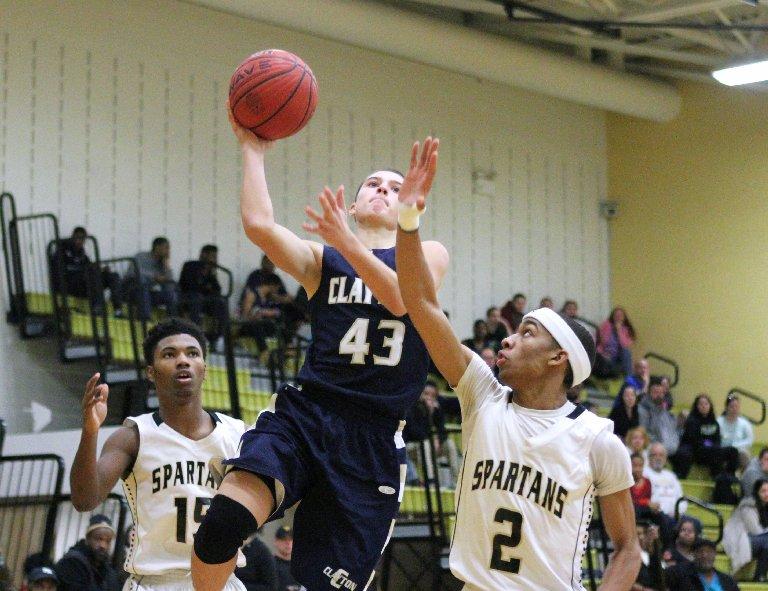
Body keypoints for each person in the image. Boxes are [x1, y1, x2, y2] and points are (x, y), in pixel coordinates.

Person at [190, 115, 448, 591]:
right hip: (306, 416)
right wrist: (253, 148)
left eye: (395, 187)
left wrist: (345, 241)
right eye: (372, 183)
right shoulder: (323, 262)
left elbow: (400, 298)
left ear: (413, 204)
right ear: (352, 205)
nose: (383, 190)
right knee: (218, 529)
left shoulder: (428, 252)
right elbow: (259, 225)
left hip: (370, 440)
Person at [394, 138, 640, 588]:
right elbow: (421, 303)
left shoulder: (598, 441)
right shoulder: (482, 395)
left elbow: (628, 550)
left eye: (526, 332)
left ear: (557, 357)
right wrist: (408, 219)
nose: (506, 339)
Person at [69, 318, 247, 591]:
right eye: (169, 354)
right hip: (156, 582)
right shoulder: (133, 436)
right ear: (151, 372)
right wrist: (90, 430)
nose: (183, 360)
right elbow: (84, 499)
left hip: (222, 581)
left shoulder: (236, 434)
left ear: (205, 368)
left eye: (192, 353)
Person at [50, 227, 122, 312]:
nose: (80, 241)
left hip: (85, 286)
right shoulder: (62, 250)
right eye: (78, 237)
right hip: (70, 285)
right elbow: (60, 270)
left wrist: (101, 270)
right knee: (92, 274)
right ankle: (97, 307)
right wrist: (85, 270)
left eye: (83, 239)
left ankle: (118, 310)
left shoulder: (82, 254)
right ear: (73, 237)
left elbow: (89, 267)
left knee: (113, 276)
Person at [673, 393, 739, 479]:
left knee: (733, 451)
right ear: (697, 406)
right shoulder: (692, 421)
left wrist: (710, 444)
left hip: (711, 450)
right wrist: (709, 443)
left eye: (706, 404)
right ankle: (716, 475)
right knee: (714, 450)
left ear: (710, 406)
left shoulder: (714, 423)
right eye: (701, 404)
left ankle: (730, 476)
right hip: (696, 452)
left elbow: (717, 440)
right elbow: (695, 440)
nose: (704, 406)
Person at [54, 515, 121, 591]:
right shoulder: (72, 562)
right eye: (99, 539)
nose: (103, 545)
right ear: (88, 539)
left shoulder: (107, 570)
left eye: (108, 541)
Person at [179, 245, 228, 345]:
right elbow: (188, 285)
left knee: (221, 302)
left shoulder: (211, 272)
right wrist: (205, 286)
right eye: (213, 256)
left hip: (205, 301)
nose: (215, 259)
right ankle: (196, 335)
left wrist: (212, 275)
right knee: (197, 298)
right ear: (204, 254)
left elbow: (217, 290)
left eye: (216, 257)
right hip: (189, 298)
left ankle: (218, 338)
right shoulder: (190, 265)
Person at [723, 478, 768, 581]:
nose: (767, 494)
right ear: (756, 492)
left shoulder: (765, 507)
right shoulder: (748, 506)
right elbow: (756, 532)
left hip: (755, 541)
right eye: (763, 491)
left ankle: (760, 576)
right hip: (739, 540)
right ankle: (760, 576)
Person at [644, 443, 685, 545]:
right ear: (648, 458)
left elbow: (682, 499)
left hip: (675, 516)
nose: (658, 458)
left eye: (661, 455)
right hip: (655, 515)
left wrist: (678, 512)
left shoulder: (671, 476)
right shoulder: (645, 473)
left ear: (666, 458)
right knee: (666, 521)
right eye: (654, 455)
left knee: (694, 523)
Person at [664, 537, 740, 591]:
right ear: (693, 554)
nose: (705, 555)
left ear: (715, 554)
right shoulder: (679, 573)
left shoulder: (728, 581)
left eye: (709, 552)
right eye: (700, 551)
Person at [132, 237, 178, 320]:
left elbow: (170, 285)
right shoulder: (141, 256)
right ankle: (145, 319)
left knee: (172, 296)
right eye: (166, 248)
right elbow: (133, 272)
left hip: (150, 294)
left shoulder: (162, 263)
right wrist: (154, 277)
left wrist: (166, 266)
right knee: (143, 287)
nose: (168, 251)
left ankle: (172, 322)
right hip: (134, 291)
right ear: (157, 247)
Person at [638, 380, 680, 458]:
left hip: (669, 446)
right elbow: (643, 432)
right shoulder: (642, 410)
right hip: (654, 446)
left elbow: (670, 429)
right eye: (656, 392)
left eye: (661, 393)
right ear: (649, 393)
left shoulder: (663, 408)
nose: (659, 395)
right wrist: (659, 444)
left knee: (685, 453)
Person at [718, 393, 754, 470]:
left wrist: (735, 445)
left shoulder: (745, 423)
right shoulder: (719, 422)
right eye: (732, 406)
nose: (734, 409)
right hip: (722, 449)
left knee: (744, 455)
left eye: (737, 406)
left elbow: (749, 440)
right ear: (726, 407)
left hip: (739, 450)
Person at [596, 307, 635, 377]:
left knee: (626, 352)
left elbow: (624, 345)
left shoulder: (627, 330)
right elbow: (603, 342)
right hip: (605, 354)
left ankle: (629, 378)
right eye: (616, 315)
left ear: (624, 318)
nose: (618, 317)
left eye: (620, 315)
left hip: (618, 357)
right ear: (612, 316)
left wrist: (619, 330)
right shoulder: (606, 325)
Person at [632, 522, 663, 591]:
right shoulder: (625, 557)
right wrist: (642, 589)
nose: (638, 537)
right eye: (635, 534)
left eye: (639, 534)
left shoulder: (654, 555)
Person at [273, 526, 300, 591]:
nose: (288, 543)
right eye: (284, 539)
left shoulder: (302, 566)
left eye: (291, 539)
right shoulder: (269, 564)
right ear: (276, 541)